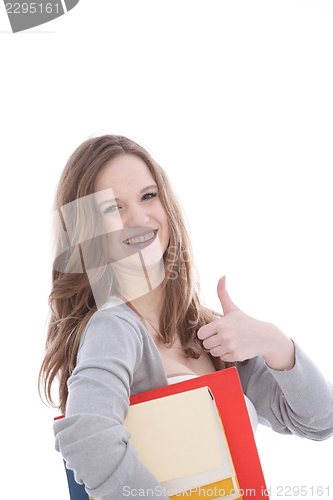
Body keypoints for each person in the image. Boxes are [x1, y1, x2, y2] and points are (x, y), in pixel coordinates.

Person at [39, 134, 333, 500]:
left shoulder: (206, 332)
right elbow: (86, 433)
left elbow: (319, 421)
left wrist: (275, 342)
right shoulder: (114, 326)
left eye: (148, 196)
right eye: (113, 208)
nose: (139, 218)